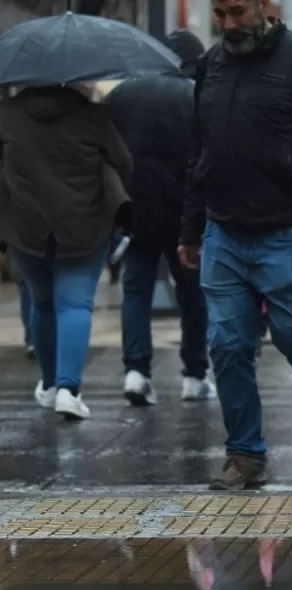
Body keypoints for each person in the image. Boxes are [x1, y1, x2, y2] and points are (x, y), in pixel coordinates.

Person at [179, 0, 292, 490]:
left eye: (237, 11)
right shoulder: (211, 66)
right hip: (224, 229)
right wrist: (190, 228)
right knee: (228, 343)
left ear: (265, 6)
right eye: (219, 14)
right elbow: (201, 148)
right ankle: (245, 454)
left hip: (291, 226)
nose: (229, 24)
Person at [0, 84, 132, 420]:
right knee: (75, 304)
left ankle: (48, 383)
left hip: (25, 227)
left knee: (42, 304)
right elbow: (124, 162)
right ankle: (68, 390)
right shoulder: (92, 116)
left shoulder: (8, 114)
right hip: (83, 225)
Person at [107, 30, 216, 407]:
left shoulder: (122, 94)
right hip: (185, 217)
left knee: (135, 293)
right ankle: (195, 375)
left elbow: (107, 153)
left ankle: (136, 371)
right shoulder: (196, 98)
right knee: (193, 295)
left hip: (134, 211)